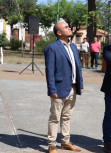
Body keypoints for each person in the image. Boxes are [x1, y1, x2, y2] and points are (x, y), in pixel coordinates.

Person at [44, 21, 84, 153]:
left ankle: (65, 142)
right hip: (59, 87)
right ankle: (52, 145)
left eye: (69, 26)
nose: (70, 28)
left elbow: (77, 67)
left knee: (67, 117)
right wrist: (52, 89)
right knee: (55, 117)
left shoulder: (73, 46)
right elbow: (49, 70)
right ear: (59, 32)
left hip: (72, 87)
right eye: (66, 27)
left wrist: (80, 84)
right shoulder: (52, 47)